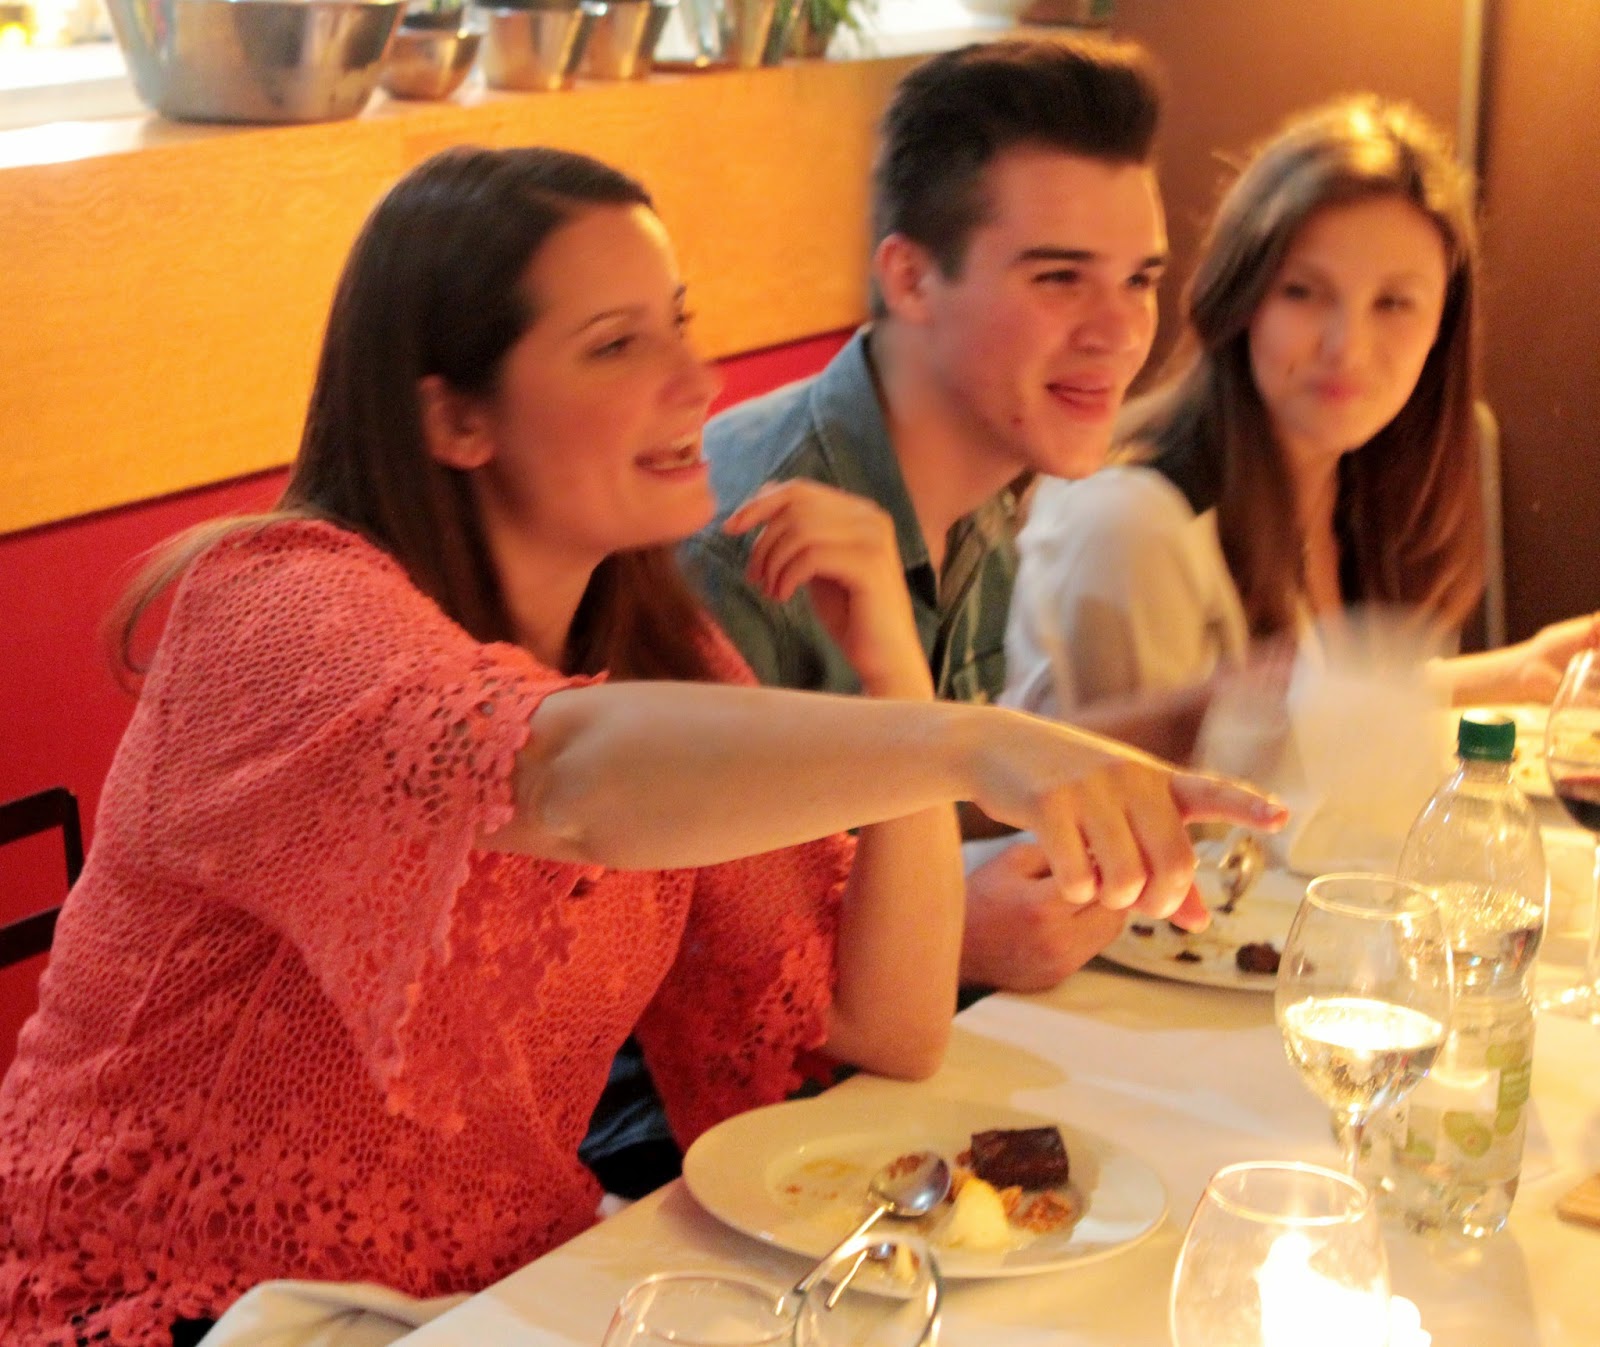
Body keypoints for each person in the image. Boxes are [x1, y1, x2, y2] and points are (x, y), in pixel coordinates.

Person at [0, 147, 1281, 1347]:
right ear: (456, 419)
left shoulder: (650, 642)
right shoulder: (278, 607)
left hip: (482, 1298)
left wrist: (891, 669)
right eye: (617, 345)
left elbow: (885, 1027)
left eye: (678, 323)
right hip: (176, 1305)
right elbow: (555, 777)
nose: (695, 379)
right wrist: (968, 741)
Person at [685, 37, 1172, 994]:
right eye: (1059, 277)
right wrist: (951, 941)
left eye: (1141, 280)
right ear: (911, 280)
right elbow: (671, 981)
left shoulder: (991, 490)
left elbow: (910, 804)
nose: (1120, 332)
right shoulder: (741, 545)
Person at [1004, 95, 1599, 752]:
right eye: (1303, 292)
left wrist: (1518, 673)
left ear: (1441, 328)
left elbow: (1303, 711)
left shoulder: (1351, 483)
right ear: (1241, 296)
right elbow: (1133, 788)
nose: (1348, 348)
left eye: (1393, 303)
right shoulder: (1133, 519)